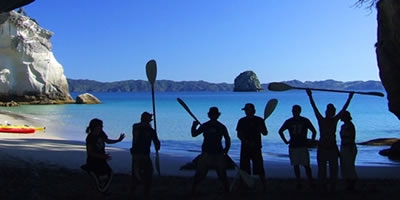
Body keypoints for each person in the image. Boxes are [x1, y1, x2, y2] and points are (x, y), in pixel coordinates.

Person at [306, 89, 354, 192]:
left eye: (331, 111)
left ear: (333, 113)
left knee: (334, 171)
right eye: (328, 111)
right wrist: (310, 96)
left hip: (332, 149)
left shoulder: (334, 120)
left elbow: (343, 109)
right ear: (326, 112)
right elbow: (314, 108)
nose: (329, 113)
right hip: (322, 148)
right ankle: (322, 188)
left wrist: (349, 98)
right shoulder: (321, 120)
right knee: (322, 171)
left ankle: (332, 188)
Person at [191, 107, 231, 194]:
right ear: (209, 115)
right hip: (206, 153)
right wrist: (194, 126)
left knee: (222, 174)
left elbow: (227, 139)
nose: (213, 116)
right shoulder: (205, 126)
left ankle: (227, 191)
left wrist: (226, 150)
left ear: (217, 115)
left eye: (214, 114)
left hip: (218, 153)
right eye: (212, 114)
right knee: (200, 174)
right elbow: (194, 134)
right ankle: (193, 190)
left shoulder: (221, 126)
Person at [278, 104, 317, 189]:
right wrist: (285, 141)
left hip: (300, 145)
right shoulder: (298, 121)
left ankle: (307, 181)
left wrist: (311, 142)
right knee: (298, 165)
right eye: (293, 111)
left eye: (295, 111)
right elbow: (280, 131)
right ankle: (300, 182)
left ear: (298, 111)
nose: (294, 112)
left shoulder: (298, 121)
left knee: (305, 165)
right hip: (295, 146)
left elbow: (314, 131)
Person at [82, 118, 125, 192]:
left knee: (108, 173)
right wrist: (102, 156)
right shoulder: (90, 138)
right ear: (95, 127)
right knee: (103, 175)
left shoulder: (101, 133)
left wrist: (118, 140)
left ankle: (102, 189)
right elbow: (90, 152)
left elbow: (107, 141)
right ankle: (101, 189)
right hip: (93, 160)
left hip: (102, 159)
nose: (102, 127)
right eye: (100, 126)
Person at [236, 103, 268, 191]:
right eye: (245, 110)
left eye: (247, 110)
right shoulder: (242, 121)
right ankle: (243, 185)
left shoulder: (260, 120)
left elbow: (265, 133)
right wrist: (246, 142)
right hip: (245, 147)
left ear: (252, 110)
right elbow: (239, 134)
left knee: (259, 167)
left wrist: (261, 129)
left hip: (256, 147)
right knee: (244, 168)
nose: (246, 112)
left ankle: (264, 185)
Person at [131, 112, 161, 197]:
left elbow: (157, 144)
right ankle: (145, 192)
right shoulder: (149, 130)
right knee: (148, 173)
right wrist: (155, 136)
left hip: (136, 154)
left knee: (136, 173)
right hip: (142, 155)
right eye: (149, 119)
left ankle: (135, 191)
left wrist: (156, 141)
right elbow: (157, 145)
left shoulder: (136, 127)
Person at [339, 110, 358, 191]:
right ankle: (348, 183)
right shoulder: (344, 126)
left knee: (349, 166)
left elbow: (352, 137)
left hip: (349, 147)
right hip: (344, 146)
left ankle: (351, 184)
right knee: (345, 166)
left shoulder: (350, 126)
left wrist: (349, 147)